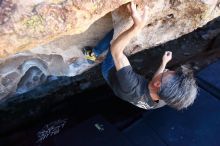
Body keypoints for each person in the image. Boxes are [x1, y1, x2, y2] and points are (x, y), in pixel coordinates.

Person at [83, 2, 198, 110]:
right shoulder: (165, 98)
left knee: (116, 36)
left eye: (166, 71)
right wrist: (164, 63)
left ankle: (93, 54)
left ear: (157, 84)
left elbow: (116, 50)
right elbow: (158, 81)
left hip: (110, 71)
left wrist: (137, 26)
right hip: (123, 85)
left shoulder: (131, 85)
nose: (167, 69)